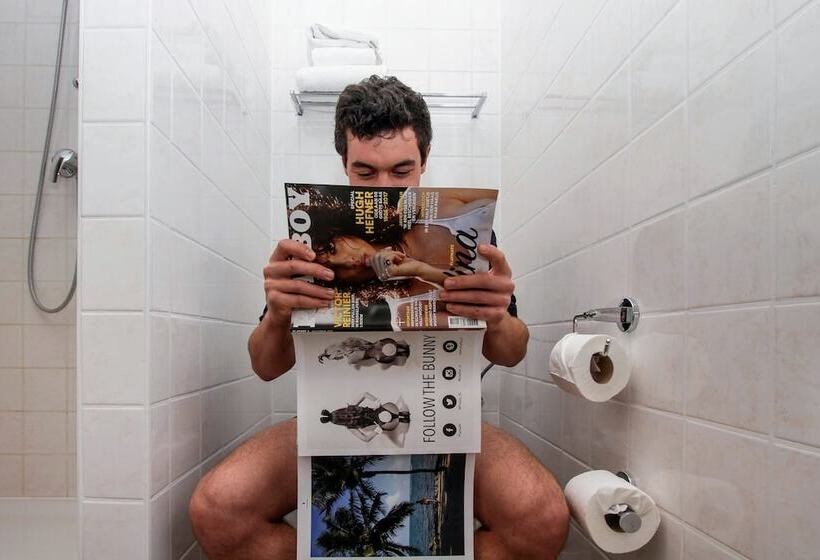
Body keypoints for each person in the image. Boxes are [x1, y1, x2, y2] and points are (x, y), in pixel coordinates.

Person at [189, 75, 570, 559]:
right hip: (334, 413)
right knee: (218, 510)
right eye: (365, 173)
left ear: (424, 161)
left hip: (444, 412)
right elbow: (266, 367)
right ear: (344, 166)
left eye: (401, 171)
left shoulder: (463, 237)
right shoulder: (312, 244)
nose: (384, 186)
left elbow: (512, 353)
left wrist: (497, 317)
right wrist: (277, 315)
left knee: (541, 518)